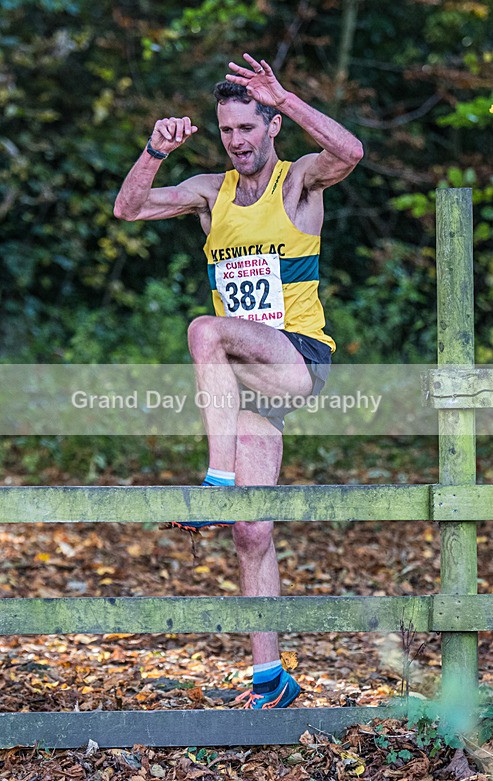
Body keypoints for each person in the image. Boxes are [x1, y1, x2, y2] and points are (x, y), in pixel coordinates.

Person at [114, 53, 363, 709]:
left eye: (248, 128)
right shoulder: (209, 192)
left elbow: (349, 150)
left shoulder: (298, 183)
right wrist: (154, 150)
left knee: (205, 328)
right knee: (252, 531)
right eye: (227, 131)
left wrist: (286, 98)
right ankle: (270, 680)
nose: (238, 141)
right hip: (245, 388)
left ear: (270, 127)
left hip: (297, 359)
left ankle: (214, 480)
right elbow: (128, 208)